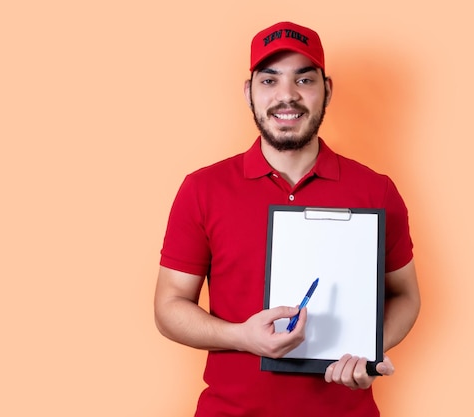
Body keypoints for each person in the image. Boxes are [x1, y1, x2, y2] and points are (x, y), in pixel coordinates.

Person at [154, 21, 420, 417]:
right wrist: (241, 337)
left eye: (304, 80)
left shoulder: (375, 190)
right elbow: (168, 305)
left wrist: (369, 351)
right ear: (249, 93)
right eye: (269, 80)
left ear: (327, 90)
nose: (287, 96)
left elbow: (406, 296)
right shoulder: (202, 189)